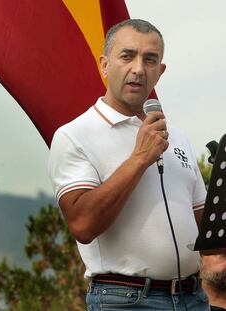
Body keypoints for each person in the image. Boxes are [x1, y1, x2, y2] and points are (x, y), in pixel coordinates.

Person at [48, 19, 209, 310]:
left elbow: (206, 229)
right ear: (105, 65)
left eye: (150, 60)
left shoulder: (178, 137)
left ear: (160, 72)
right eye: (127, 56)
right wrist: (140, 158)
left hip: (193, 296)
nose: (138, 68)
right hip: (126, 300)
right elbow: (83, 225)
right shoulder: (74, 135)